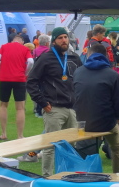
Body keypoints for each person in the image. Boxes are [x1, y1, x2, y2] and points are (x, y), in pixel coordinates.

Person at [24, 27, 82, 175]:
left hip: (72, 109)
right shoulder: (45, 58)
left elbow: (82, 79)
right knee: (50, 146)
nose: (64, 40)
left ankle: (68, 176)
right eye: (60, 38)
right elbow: (31, 81)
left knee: (71, 146)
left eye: (65, 37)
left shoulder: (74, 58)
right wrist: (42, 102)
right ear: (54, 41)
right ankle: (47, 177)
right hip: (54, 109)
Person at [73, 41, 119, 173]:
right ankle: (118, 175)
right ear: (106, 56)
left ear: (89, 55)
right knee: (117, 147)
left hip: (82, 122)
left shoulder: (78, 72)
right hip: (106, 123)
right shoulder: (113, 75)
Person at [0, 35, 34, 140]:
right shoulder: (24, 49)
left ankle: (3, 133)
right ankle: (20, 136)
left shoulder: (4, 47)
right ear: (22, 42)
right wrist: (26, 72)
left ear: (12, 41)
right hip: (19, 79)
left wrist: (0, 67)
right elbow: (31, 62)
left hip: (5, 79)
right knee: (20, 108)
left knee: (3, 105)